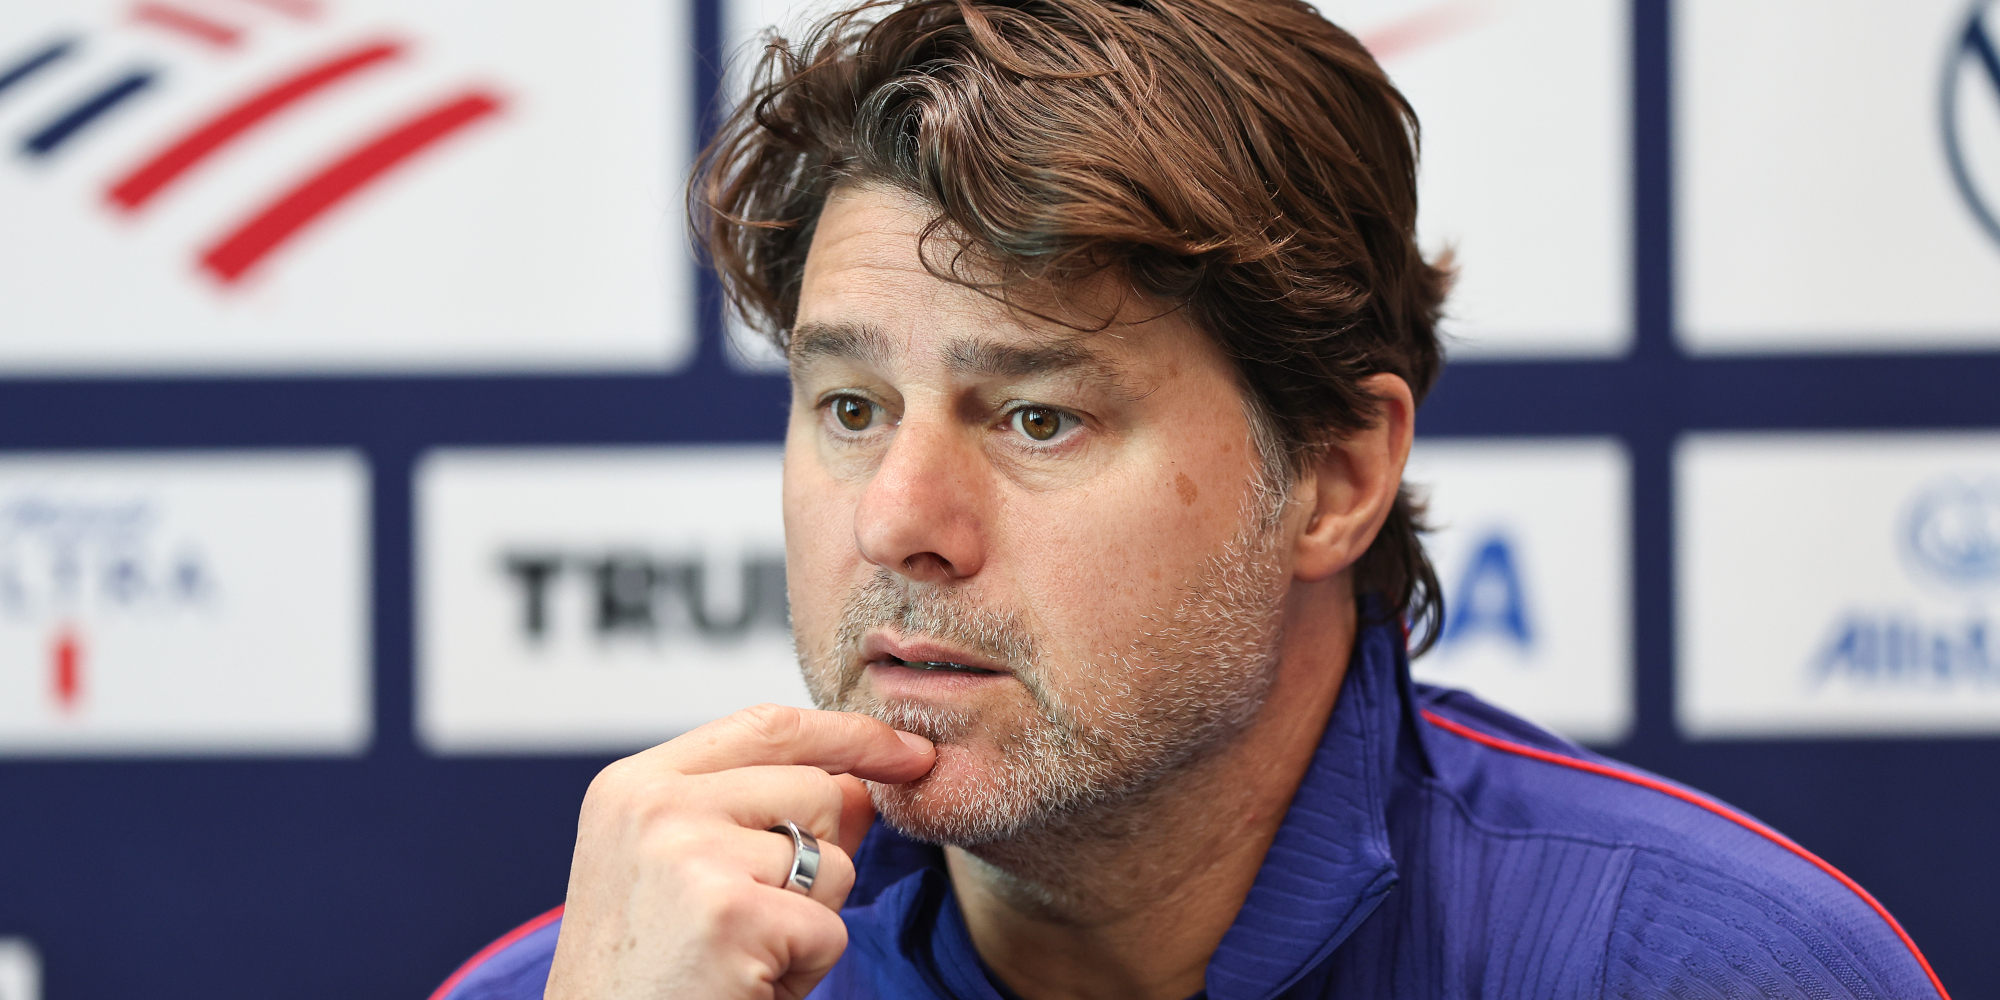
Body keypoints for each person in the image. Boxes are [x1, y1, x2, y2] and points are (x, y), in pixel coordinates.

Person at [428, 1, 1951, 997]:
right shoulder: (597, 984)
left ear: (1336, 478)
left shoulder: (1702, 967)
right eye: (849, 408)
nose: (896, 522)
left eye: (1038, 416)